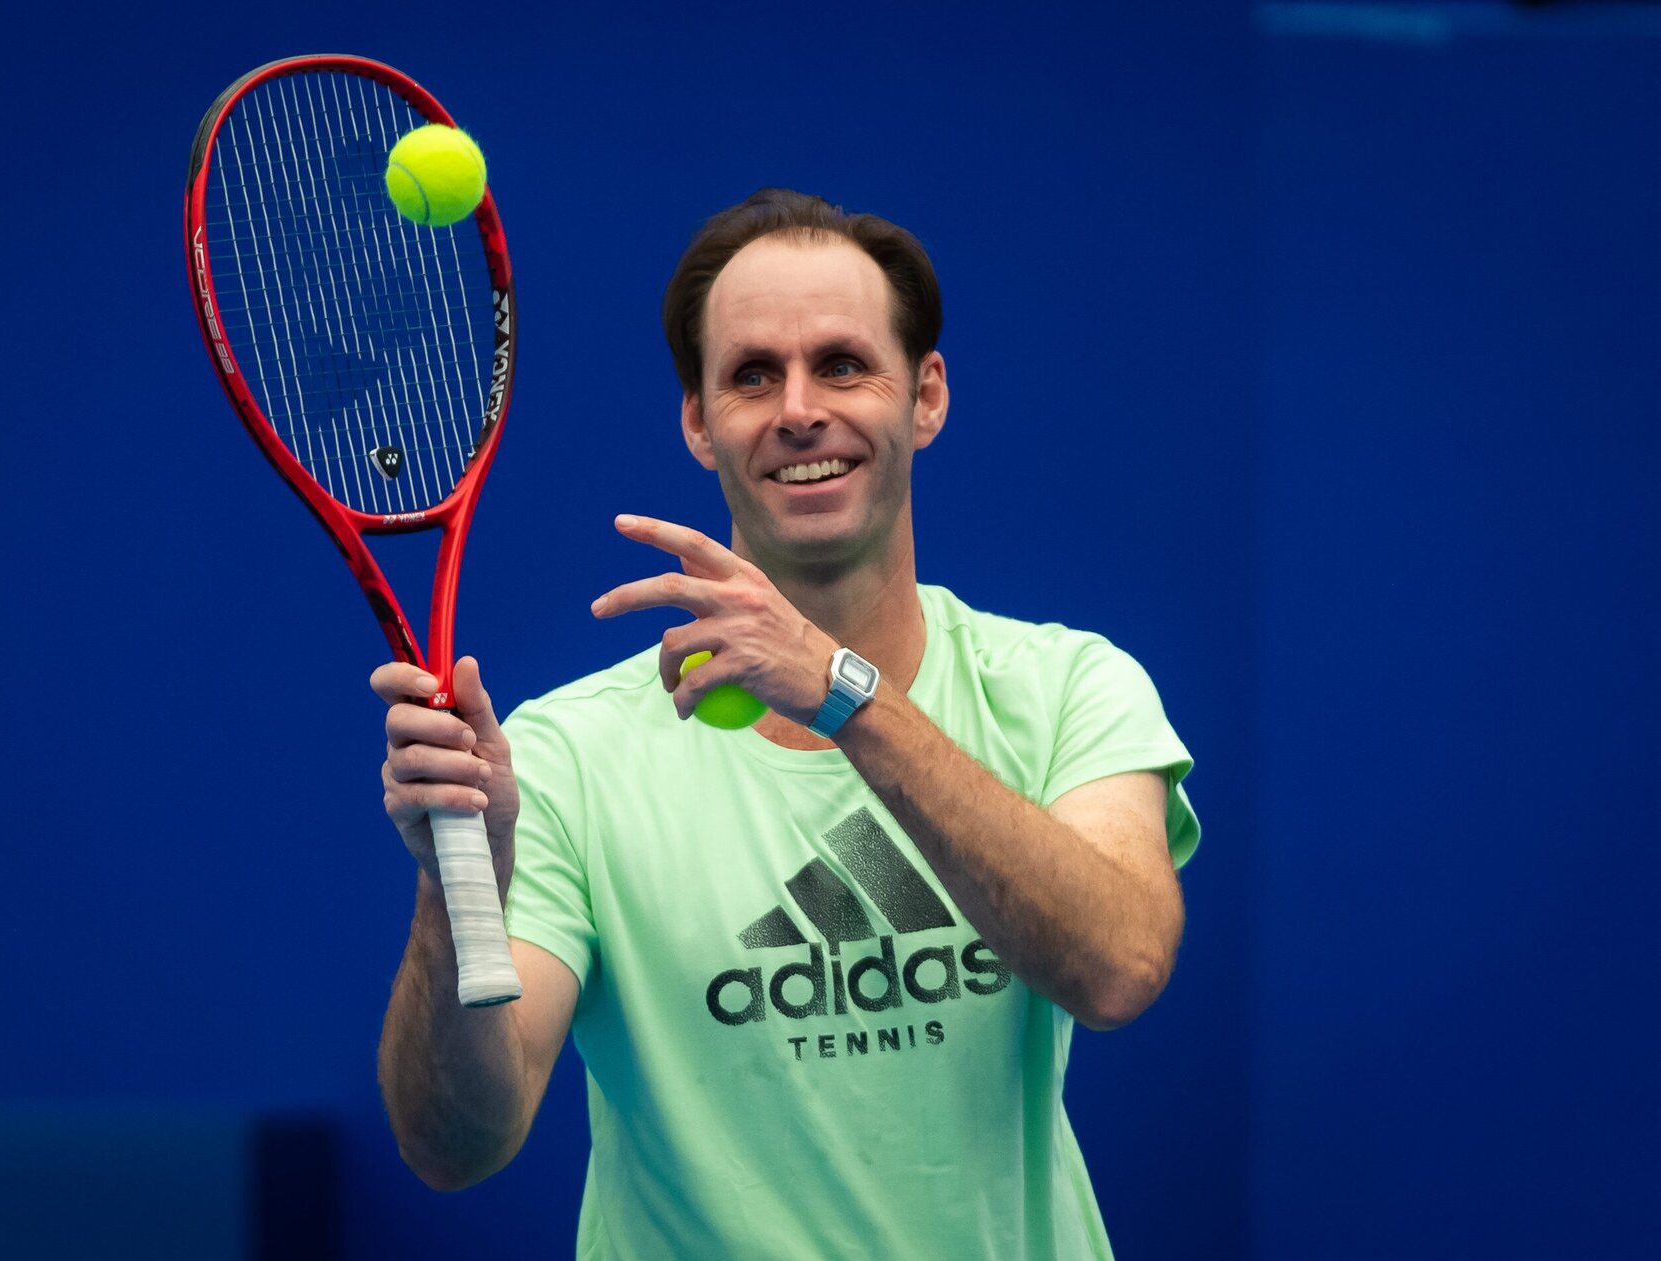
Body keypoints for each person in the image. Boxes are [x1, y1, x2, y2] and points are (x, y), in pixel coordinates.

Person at [372, 188, 1200, 1259]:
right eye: (753, 375)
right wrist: (458, 889)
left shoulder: (1068, 687)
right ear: (698, 422)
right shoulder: (568, 756)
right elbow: (457, 1143)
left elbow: (1120, 965)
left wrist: (841, 693)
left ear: (927, 397)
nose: (798, 410)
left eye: (843, 365)